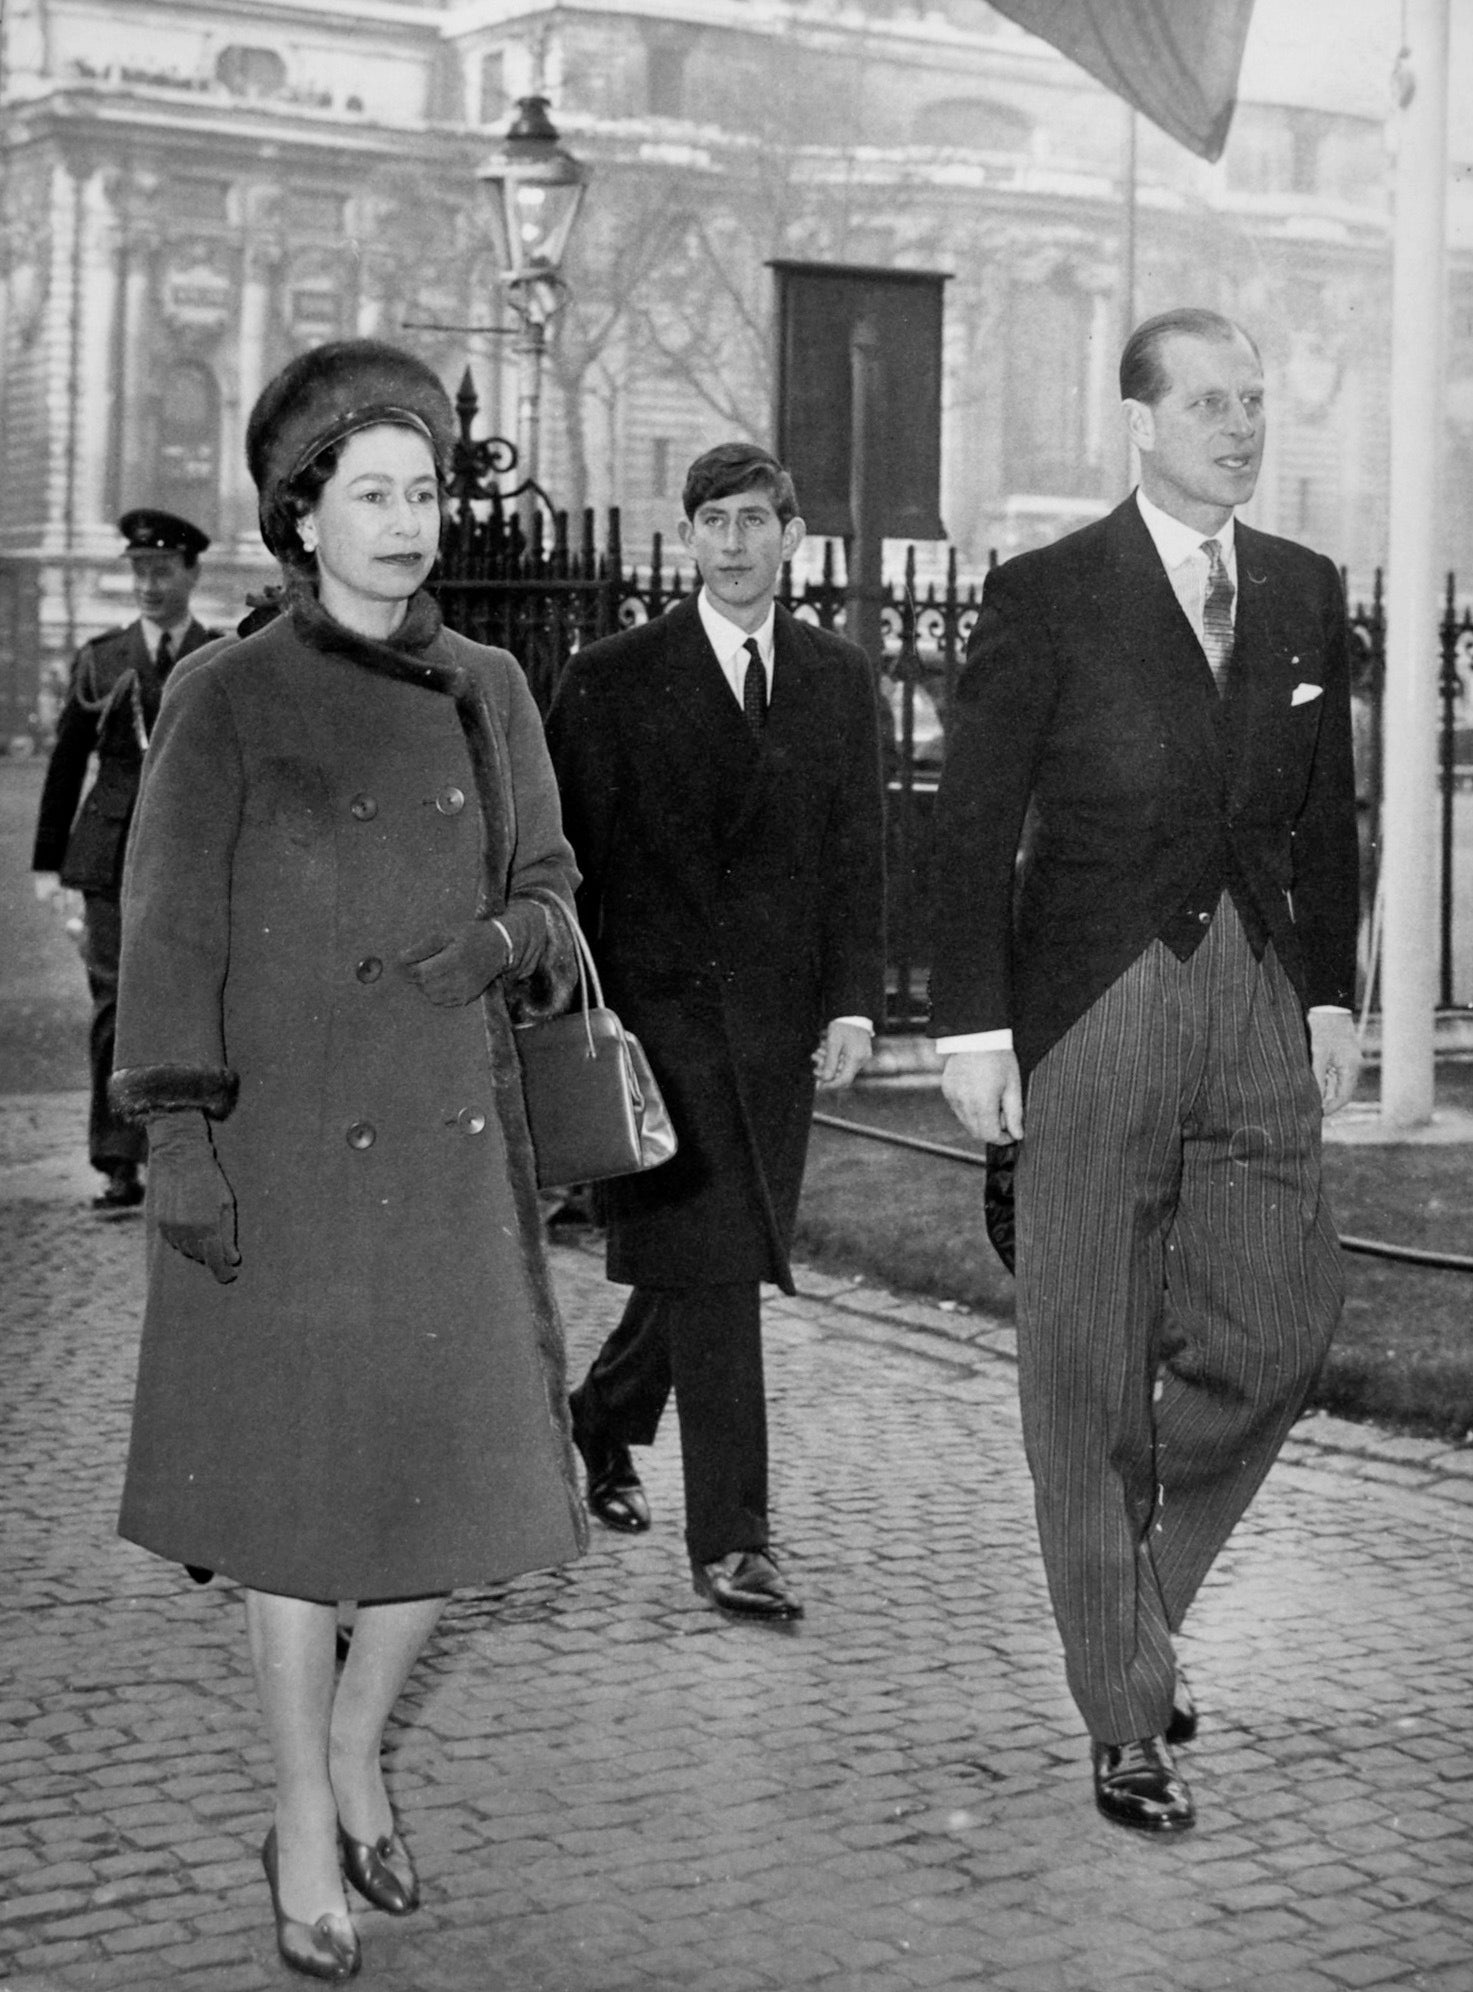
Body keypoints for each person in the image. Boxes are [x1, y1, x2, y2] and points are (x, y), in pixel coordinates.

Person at [109, 339, 586, 1981]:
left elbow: (551, 877)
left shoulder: (491, 689)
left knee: (443, 1504)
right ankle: (301, 1817)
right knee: (303, 1518)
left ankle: (357, 1746)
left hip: (448, 1143)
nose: (408, 523)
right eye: (370, 495)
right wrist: (173, 1135)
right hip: (284, 1148)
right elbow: (167, 932)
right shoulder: (222, 695)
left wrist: (496, 943)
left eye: (424, 491)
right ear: (301, 519)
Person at [930, 309, 1360, 1835]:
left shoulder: (1304, 591)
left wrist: (1323, 994)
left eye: (1252, 401)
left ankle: (1136, 1610)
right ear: (1137, 420)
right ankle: (1123, 1714)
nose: (1239, 428)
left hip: (1254, 993)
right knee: (1086, 1370)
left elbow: (1325, 821)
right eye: (1206, 403)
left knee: (1280, 1328)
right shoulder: (1049, 594)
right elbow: (971, 822)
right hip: (1092, 1002)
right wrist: (972, 1029)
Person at [546, 442, 886, 1623]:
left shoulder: (841, 679)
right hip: (659, 1028)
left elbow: (859, 858)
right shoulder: (613, 675)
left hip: (776, 1031)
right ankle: (732, 1542)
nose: (735, 546)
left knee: (710, 1260)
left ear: (794, 537)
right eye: (713, 524)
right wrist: (578, 1020)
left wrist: (852, 1000)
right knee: (724, 1267)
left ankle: (601, 1413)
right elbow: (563, 868)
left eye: (756, 522)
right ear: (687, 538)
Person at [31, 510, 218, 1212]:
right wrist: (47, 865)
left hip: (192, 858)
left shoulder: (220, 654)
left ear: (191, 575)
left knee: (192, 1004)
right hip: (108, 859)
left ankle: (187, 1148)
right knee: (114, 1007)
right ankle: (117, 1161)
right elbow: (65, 764)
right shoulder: (101, 659)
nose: (148, 584)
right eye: (139, 571)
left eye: (162, 571)